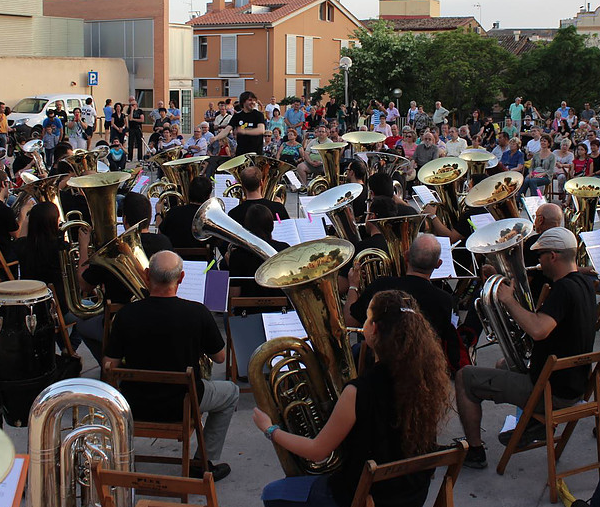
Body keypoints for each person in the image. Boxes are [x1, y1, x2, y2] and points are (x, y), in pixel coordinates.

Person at [255, 289, 451, 507]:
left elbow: (317, 451)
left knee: (272, 493)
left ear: (374, 329)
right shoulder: (427, 380)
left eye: (367, 318)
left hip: (363, 497)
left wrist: (269, 430)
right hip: (412, 496)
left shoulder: (358, 391)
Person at [456, 227, 596, 469]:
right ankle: (532, 425)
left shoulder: (563, 289)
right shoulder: (584, 283)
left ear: (553, 256)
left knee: (464, 377)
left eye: (540, 256)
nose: (537, 262)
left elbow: (539, 330)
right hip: (573, 384)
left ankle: (475, 451)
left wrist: (509, 300)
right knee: (504, 364)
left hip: (551, 391)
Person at [103, 250, 238, 482]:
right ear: (182, 278)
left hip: (135, 404)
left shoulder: (126, 315)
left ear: (146, 276)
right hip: (183, 404)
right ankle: (202, 462)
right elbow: (220, 357)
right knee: (231, 393)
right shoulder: (198, 313)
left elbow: (109, 365)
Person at [344, 233, 459, 370]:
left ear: (406, 256)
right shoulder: (445, 300)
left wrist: (353, 286)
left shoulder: (380, 286)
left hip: (380, 366)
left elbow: (350, 322)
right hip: (422, 369)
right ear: (438, 264)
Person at [229, 204, 289, 298]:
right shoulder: (284, 248)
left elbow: (234, 294)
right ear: (272, 226)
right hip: (281, 310)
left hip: (248, 311)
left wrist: (231, 264)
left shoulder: (237, 254)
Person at [157, 176, 212, 248]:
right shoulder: (210, 217)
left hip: (175, 258)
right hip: (205, 259)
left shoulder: (174, 212)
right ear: (208, 196)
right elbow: (218, 242)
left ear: (188, 192)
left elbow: (160, 235)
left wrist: (158, 213)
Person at [214, 91, 266, 155]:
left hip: (255, 152)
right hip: (241, 152)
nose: (253, 102)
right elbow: (227, 130)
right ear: (243, 101)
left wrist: (245, 131)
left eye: (254, 100)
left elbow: (261, 130)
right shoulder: (237, 116)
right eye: (250, 100)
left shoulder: (258, 115)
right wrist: (215, 138)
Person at [519, 134, 555, 198]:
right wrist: (530, 173)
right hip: (535, 174)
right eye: (541, 141)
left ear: (548, 143)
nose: (542, 143)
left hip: (546, 176)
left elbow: (551, 170)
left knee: (532, 181)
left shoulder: (552, 156)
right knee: (526, 180)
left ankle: (536, 199)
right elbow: (531, 167)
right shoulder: (536, 155)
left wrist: (541, 174)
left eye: (544, 141)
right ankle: (519, 199)